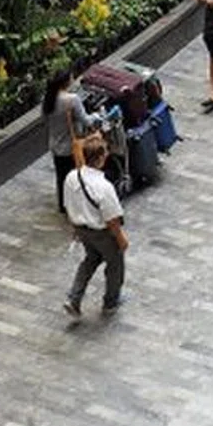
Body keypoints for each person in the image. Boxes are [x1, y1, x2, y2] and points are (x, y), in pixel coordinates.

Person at [61, 132, 127, 317]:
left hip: (82, 230)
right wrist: (121, 239)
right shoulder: (103, 186)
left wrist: (75, 228)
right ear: (99, 158)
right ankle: (111, 301)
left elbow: (68, 204)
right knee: (115, 265)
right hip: (102, 233)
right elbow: (112, 219)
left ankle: (74, 298)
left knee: (90, 260)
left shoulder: (72, 177)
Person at [43, 70, 96, 213]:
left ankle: (63, 204)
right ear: (66, 82)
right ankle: (75, 206)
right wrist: (97, 116)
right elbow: (85, 120)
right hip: (70, 146)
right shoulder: (72, 100)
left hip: (55, 145)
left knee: (61, 177)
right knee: (75, 177)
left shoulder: (49, 98)